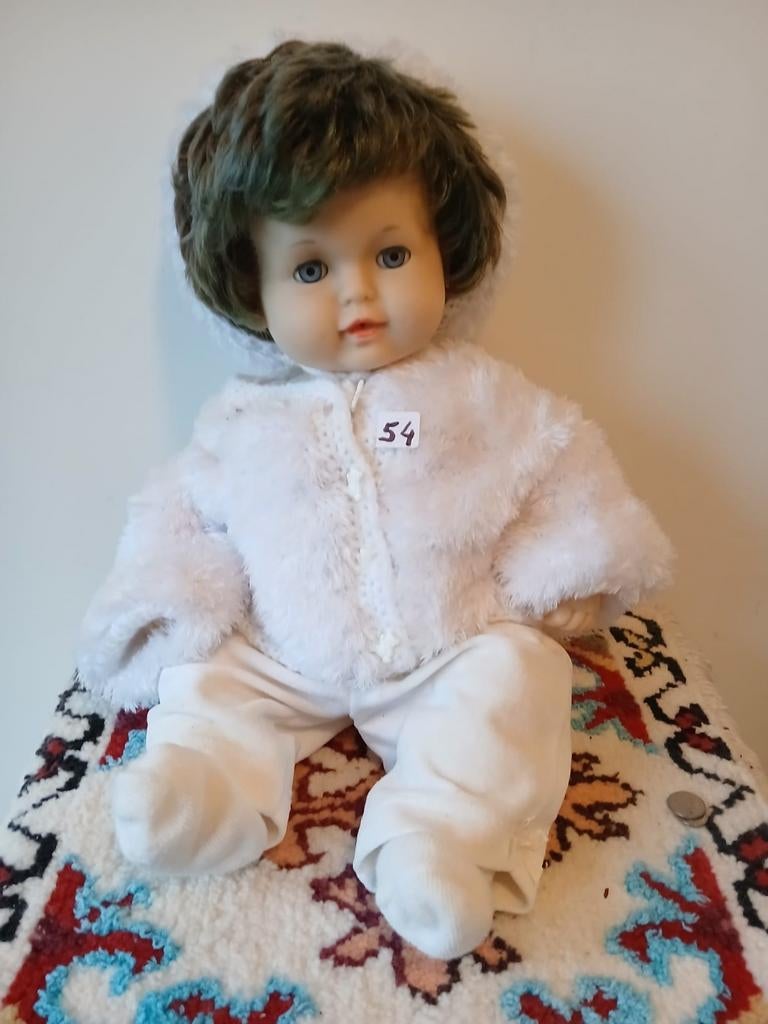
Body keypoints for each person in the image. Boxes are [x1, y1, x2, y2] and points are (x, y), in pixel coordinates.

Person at [76, 38, 674, 960]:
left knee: (519, 676)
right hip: (284, 650)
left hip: (444, 644)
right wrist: (158, 608)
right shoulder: (242, 422)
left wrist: (575, 567)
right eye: (311, 269)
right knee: (210, 680)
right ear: (253, 287)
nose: (357, 293)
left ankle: (440, 841)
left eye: (390, 253)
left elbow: (556, 460)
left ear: (445, 247)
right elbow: (180, 516)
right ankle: (200, 791)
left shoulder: (480, 398)